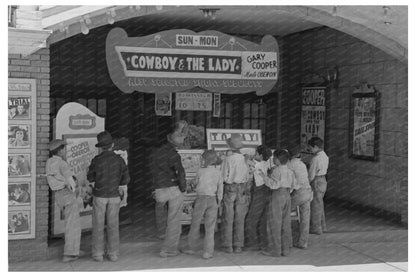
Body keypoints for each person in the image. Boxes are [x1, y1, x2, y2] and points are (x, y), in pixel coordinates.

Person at [87, 131, 130, 262]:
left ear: (100, 147)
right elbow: (126, 179)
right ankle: (113, 253)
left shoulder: (96, 160)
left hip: (99, 195)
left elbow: (90, 177)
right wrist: (118, 185)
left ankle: (97, 254)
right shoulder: (119, 160)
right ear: (112, 145)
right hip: (114, 196)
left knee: (98, 225)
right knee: (113, 225)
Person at [150, 122, 187, 258]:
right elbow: (180, 173)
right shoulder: (173, 154)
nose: (182, 137)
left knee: (161, 213)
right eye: (179, 135)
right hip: (172, 189)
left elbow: (152, 172)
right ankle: (169, 249)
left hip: (159, 189)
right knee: (174, 220)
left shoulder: (155, 153)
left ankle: (162, 234)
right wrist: (183, 188)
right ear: (169, 137)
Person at [46, 139, 82, 262]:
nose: (65, 150)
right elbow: (71, 185)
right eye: (64, 148)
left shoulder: (49, 162)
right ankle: (70, 253)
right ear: (60, 150)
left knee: (69, 223)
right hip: (67, 195)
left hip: (58, 196)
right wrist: (75, 184)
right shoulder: (62, 164)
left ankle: (74, 250)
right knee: (73, 225)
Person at [183, 150, 223, 259]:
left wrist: (191, 183)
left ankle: (191, 248)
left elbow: (195, 183)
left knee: (195, 224)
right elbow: (220, 189)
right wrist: (219, 202)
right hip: (213, 199)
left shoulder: (200, 171)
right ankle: (208, 252)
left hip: (201, 199)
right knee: (210, 227)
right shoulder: (218, 172)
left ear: (205, 160)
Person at [259, 149, 296, 257]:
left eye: (274, 157)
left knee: (274, 224)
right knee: (286, 223)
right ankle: (285, 249)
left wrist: (264, 176)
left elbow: (273, 185)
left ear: (278, 160)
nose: (273, 159)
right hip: (287, 195)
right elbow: (294, 185)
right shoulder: (290, 171)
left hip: (277, 195)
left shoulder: (276, 171)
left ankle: (274, 250)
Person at [221, 133, 250, 254]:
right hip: (242, 188)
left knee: (228, 217)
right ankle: (238, 245)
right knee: (240, 218)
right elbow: (248, 175)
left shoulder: (228, 159)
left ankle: (228, 245)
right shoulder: (245, 159)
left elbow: (223, 176)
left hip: (230, 188)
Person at [244, 145, 272, 251]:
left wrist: (246, 157)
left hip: (259, 192)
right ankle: (262, 242)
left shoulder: (258, 164)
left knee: (251, 219)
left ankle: (252, 243)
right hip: (265, 192)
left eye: (256, 154)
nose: (254, 156)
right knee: (262, 219)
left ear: (260, 155)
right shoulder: (266, 163)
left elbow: (248, 161)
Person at [288, 145, 313, 249]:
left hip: (298, 193)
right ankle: (303, 243)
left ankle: (287, 242)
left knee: (284, 213)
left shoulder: (290, 164)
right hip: (308, 192)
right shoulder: (302, 164)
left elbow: (290, 181)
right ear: (299, 154)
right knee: (305, 219)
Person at [308, 137, 329, 235]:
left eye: (311, 148)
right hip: (323, 179)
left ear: (315, 147)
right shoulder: (325, 156)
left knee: (315, 205)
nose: (310, 150)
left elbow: (311, 174)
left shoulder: (315, 159)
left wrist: (307, 183)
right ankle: (322, 226)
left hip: (316, 180)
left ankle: (316, 228)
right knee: (320, 204)